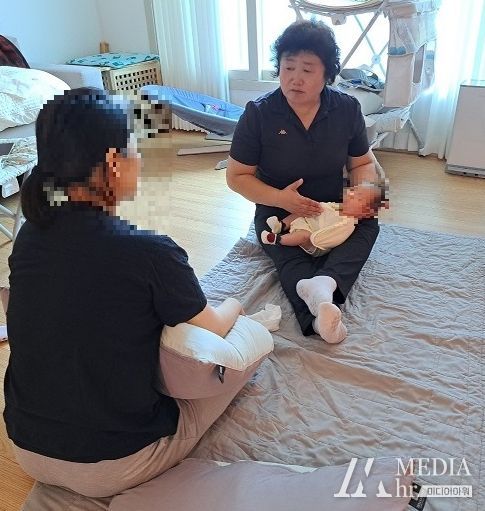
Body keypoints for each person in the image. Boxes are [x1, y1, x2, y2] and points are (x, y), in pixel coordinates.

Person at [3, 88, 256, 498]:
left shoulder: (29, 236)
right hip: (115, 462)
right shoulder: (150, 252)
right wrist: (238, 303)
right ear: (113, 163)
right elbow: (213, 327)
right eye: (136, 150)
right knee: (247, 343)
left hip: (26, 447)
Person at [226, 20, 386, 344]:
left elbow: (363, 163)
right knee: (281, 245)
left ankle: (323, 284)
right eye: (288, 68)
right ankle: (319, 310)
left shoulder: (347, 108)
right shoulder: (259, 113)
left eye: (307, 70)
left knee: (370, 220)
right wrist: (281, 199)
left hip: (332, 203)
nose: (295, 78)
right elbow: (236, 177)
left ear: (327, 74)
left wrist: (359, 200)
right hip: (278, 208)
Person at [260, 182, 387, 256]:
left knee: (303, 236)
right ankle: (281, 225)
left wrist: (315, 239)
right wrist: (314, 207)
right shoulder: (338, 207)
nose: (351, 196)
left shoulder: (347, 224)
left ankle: (277, 239)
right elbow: (325, 207)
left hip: (316, 242)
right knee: (302, 211)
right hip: (310, 222)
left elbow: (334, 237)